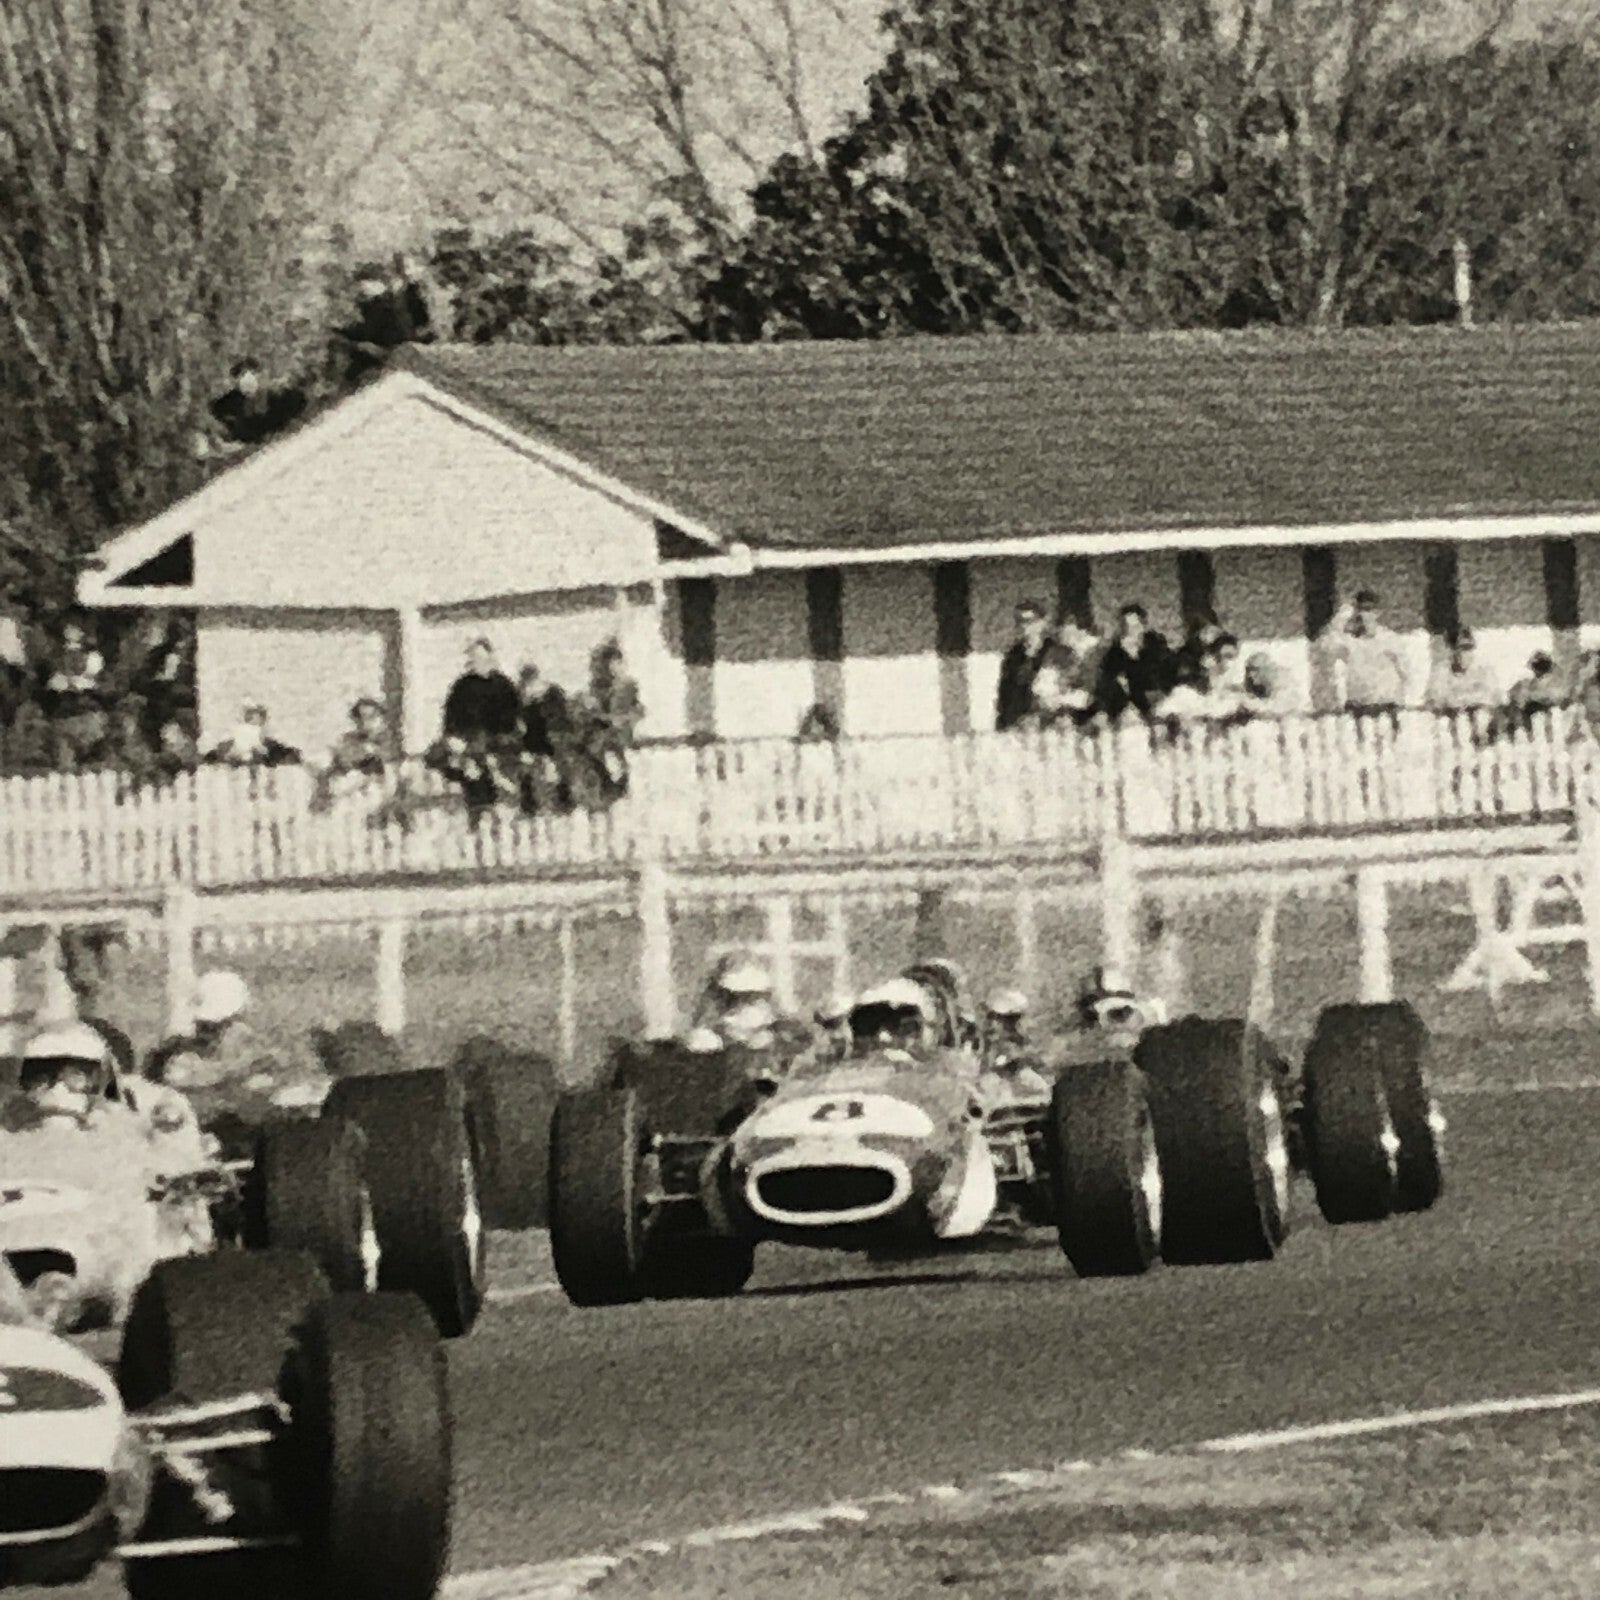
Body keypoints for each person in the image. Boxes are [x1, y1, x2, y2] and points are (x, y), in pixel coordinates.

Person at [143, 969, 331, 1154]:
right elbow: (181, 1081)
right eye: (204, 1026)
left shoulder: (257, 1054)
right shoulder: (180, 1058)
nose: (206, 1032)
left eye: (214, 1026)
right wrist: (239, 1070)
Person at [978, 989, 1051, 1101]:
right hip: (1000, 1081)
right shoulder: (993, 1038)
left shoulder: (1020, 1036)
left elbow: (1028, 1057)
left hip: (1016, 1078)